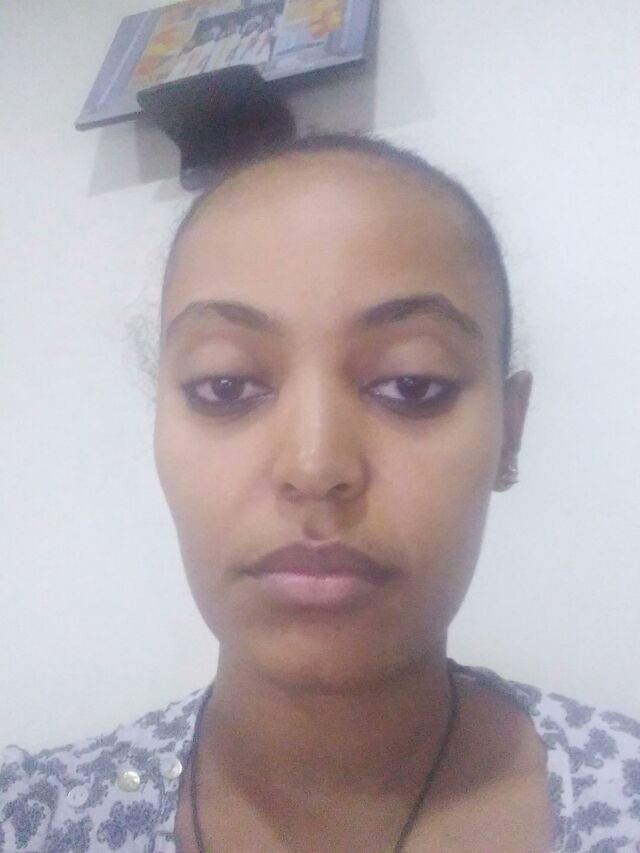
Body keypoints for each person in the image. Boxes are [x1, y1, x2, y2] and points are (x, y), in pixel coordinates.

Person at [1, 134, 638, 852]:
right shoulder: (33, 821)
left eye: (412, 385)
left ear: (509, 435)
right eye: (225, 386)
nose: (313, 466)